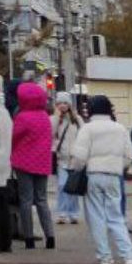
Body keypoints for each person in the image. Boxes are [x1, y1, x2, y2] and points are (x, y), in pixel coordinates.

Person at [69, 95, 132, 264]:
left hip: (93, 175)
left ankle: (105, 255)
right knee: (116, 216)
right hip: (114, 176)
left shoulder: (87, 129)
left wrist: (78, 169)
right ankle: (129, 255)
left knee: (96, 217)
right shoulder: (120, 128)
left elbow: (79, 157)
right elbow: (131, 155)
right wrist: (119, 166)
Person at [11, 80, 55, 249]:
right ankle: (50, 236)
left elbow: (14, 138)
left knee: (26, 200)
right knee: (42, 199)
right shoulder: (45, 117)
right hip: (42, 163)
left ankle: (29, 238)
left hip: (23, 163)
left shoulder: (22, 117)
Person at [52, 92, 83, 224]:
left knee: (73, 187)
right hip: (61, 158)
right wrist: (56, 118)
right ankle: (62, 213)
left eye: (65, 103)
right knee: (62, 185)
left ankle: (73, 213)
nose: (63, 106)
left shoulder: (76, 119)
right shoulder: (54, 119)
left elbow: (83, 135)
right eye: (60, 103)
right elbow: (50, 135)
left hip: (75, 158)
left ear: (70, 105)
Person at [0, 80, 12, 253]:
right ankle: (4, 242)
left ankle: (3, 241)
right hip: (3, 166)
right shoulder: (4, 113)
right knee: (2, 204)